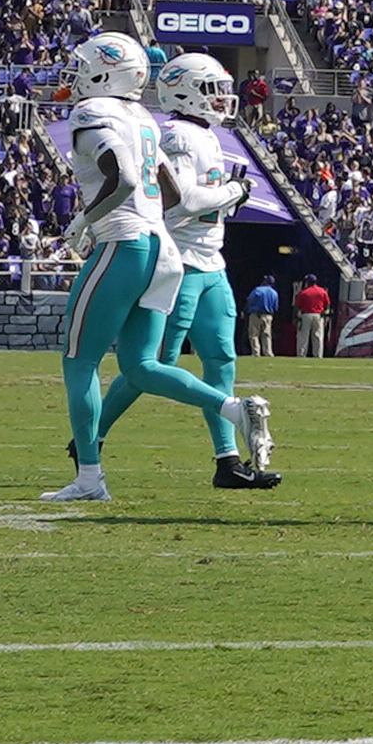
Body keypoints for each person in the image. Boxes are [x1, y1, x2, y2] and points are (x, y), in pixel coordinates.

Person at [46, 31, 239, 503]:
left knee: (79, 360)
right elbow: (165, 189)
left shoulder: (93, 112)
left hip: (123, 243)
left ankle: (89, 477)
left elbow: (125, 177)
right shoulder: (144, 118)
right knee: (143, 364)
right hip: (163, 251)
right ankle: (232, 407)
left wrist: (84, 220)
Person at [96, 51, 277, 490]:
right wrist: (235, 190)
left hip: (211, 261)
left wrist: (230, 194)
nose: (222, 99)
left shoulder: (206, 135)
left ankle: (227, 460)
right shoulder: (176, 134)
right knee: (154, 363)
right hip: (179, 261)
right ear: (186, 90)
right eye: (212, 90)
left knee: (221, 360)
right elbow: (183, 201)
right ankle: (89, 436)